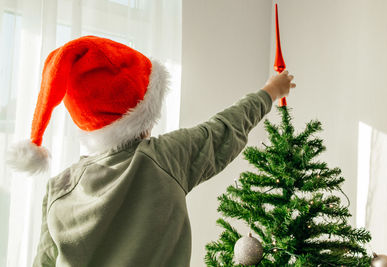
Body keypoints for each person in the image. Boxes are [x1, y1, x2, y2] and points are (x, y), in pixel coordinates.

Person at [7, 35, 295, 267]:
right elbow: (226, 126)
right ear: (144, 112)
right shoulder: (166, 157)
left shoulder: (59, 189)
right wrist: (270, 90)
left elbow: (43, 262)